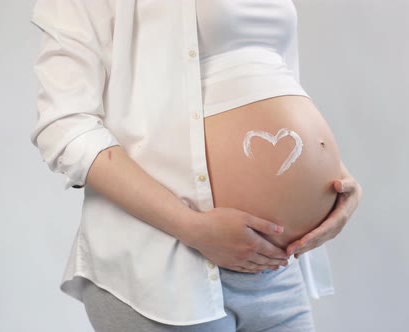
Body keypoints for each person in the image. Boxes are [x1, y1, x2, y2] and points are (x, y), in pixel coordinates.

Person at [29, 0, 362, 331]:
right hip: (163, 268)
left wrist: (333, 178)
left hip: (277, 271)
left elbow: (270, 80)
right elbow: (65, 127)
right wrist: (191, 227)